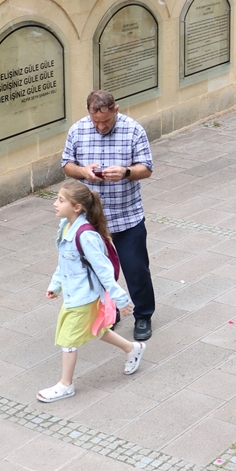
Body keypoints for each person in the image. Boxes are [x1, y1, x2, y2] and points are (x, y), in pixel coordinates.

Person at [62, 91, 157, 341]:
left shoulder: (133, 130)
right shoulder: (78, 130)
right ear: (89, 112)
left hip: (127, 215)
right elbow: (66, 164)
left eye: (106, 121)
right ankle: (109, 312)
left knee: (136, 269)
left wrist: (126, 172)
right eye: (96, 122)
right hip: (90, 219)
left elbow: (146, 168)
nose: (101, 127)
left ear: (116, 109)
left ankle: (143, 315)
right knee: (98, 269)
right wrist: (83, 171)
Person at [38, 181, 143, 402]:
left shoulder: (86, 236)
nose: (55, 203)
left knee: (68, 341)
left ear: (77, 207)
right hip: (74, 294)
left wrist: (121, 300)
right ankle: (132, 348)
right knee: (96, 329)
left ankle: (65, 385)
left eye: (61, 200)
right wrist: (55, 285)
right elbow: (64, 262)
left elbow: (104, 271)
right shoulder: (66, 227)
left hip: (84, 298)